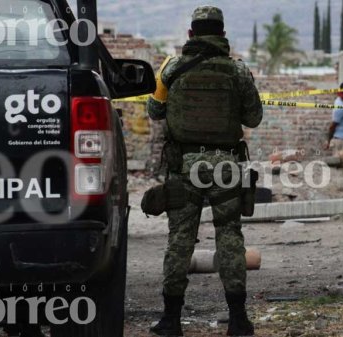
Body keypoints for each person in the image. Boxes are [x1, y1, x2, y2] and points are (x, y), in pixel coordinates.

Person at [146, 6, 263, 337]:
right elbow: (253, 118)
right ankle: (238, 320)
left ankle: (171, 321)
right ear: (223, 35)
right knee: (230, 236)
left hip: (184, 167)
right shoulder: (238, 71)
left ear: (191, 35)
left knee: (180, 240)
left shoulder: (171, 69)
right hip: (227, 167)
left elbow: (154, 111)